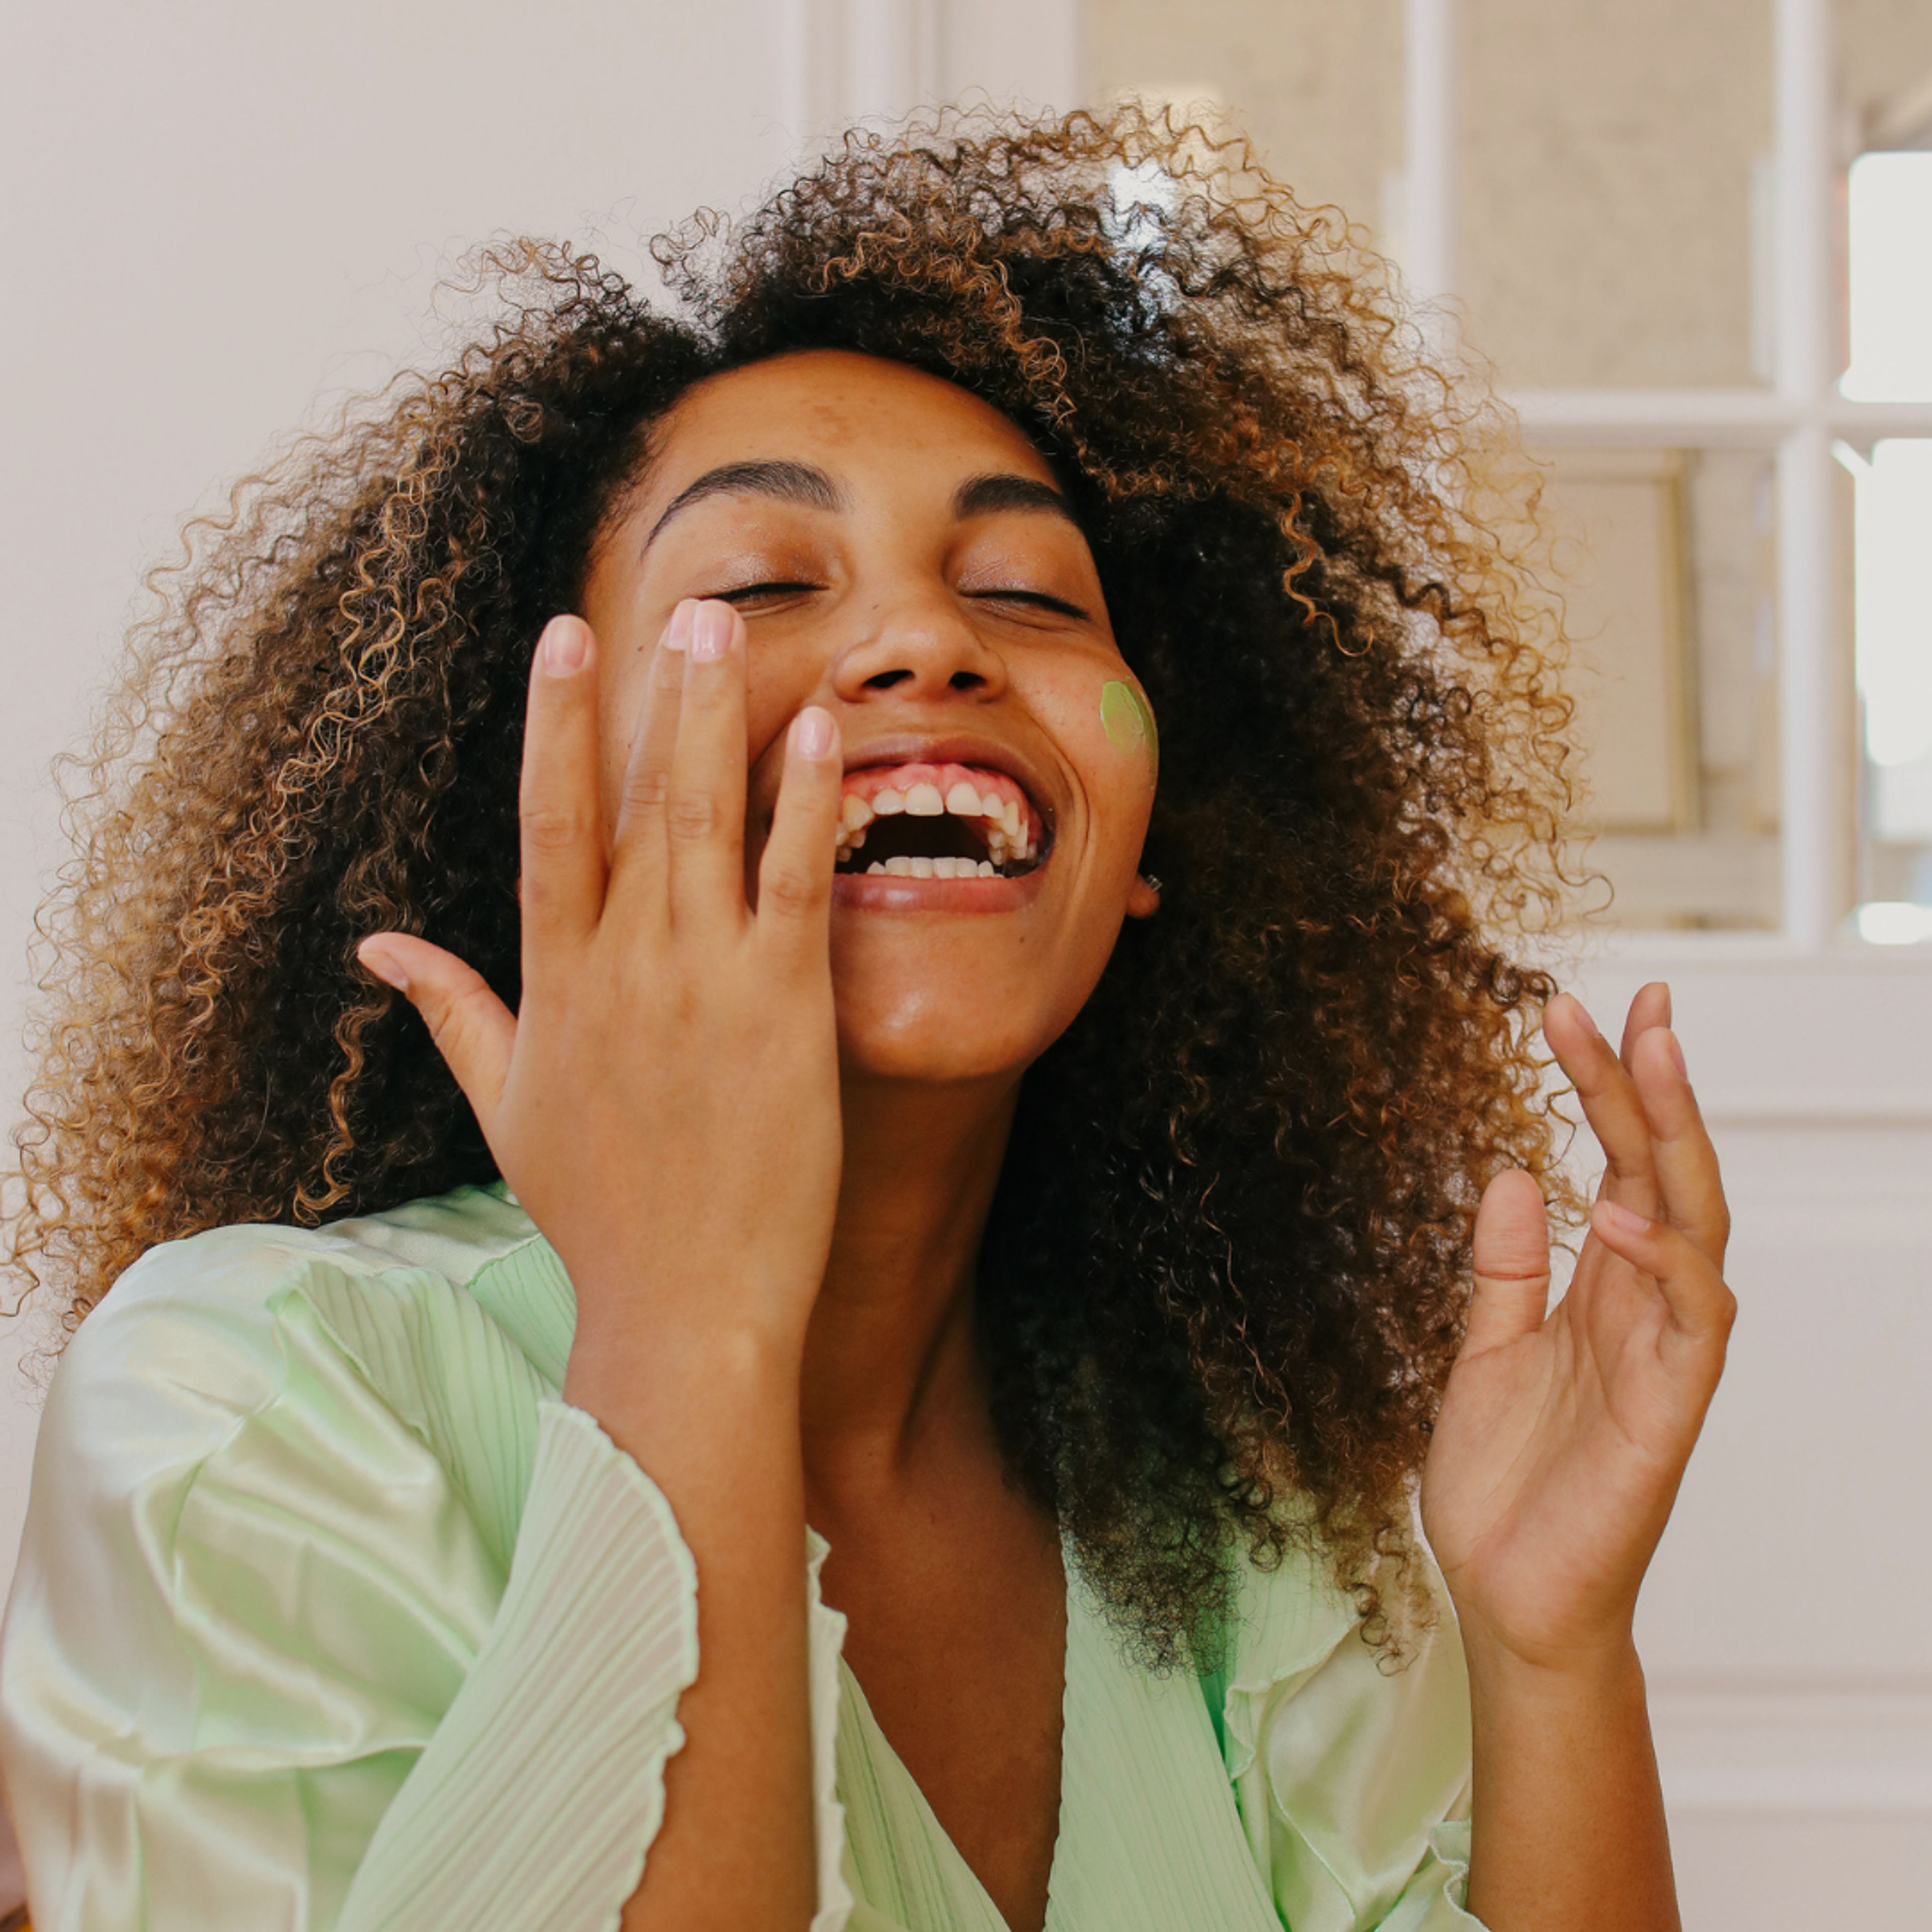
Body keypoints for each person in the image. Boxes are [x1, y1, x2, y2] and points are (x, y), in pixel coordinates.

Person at [0, 110, 1734, 1932]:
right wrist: (684, 1326)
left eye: (1029, 593)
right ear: (540, 794)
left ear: (1148, 840)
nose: (928, 641)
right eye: (759, 584)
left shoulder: (1251, 1536)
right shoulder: (254, 1404)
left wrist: (1548, 1653)